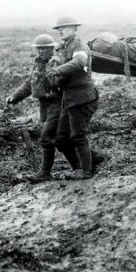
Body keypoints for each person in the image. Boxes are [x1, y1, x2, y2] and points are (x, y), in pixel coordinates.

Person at [45, 17, 99, 180]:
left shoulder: (78, 45)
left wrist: (58, 69)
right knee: (61, 139)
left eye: (65, 28)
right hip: (69, 100)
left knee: (78, 136)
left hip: (82, 98)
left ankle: (86, 171)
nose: (61, 31)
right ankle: (81, 166)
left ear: (74, 29)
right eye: (59, 29)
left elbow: (80, 60)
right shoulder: (65, 48)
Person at [6, 34, 64, 182]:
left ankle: (45, 173)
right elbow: (29, 83)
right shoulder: (38, 63)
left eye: (45, 48)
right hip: (46, 105)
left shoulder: (56, 62)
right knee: (60, 139)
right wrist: (15, 97)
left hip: (58, 103)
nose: (42, 51)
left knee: (47, 137)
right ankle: (85, 162)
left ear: (52, 48)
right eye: (40, 48)